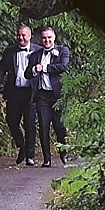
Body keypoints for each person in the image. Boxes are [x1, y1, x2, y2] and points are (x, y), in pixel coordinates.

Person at [1, 24, 41, 164]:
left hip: (31, 92)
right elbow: (1, 70)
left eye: (24, 35)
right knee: (11, 121)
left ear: (30, 36)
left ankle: (30, 156)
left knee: (30, 124)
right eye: (19, 35)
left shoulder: (38, 51)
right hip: (15, 91)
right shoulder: (9, 51)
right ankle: (22, 146)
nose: (21, 38)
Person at [31, 26, 68, 167]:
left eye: (49, 38)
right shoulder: (36, 54)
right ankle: (47, 159)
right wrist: (35, 69)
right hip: (42, 95)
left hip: (57, 96)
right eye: (44, 38)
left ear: (54, 38)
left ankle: (63, 152)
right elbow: (28, 73)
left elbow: (63, 66)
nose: (46, 40)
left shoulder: (62, 51)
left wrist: (45, 68)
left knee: (59, 126)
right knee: (43, 126)